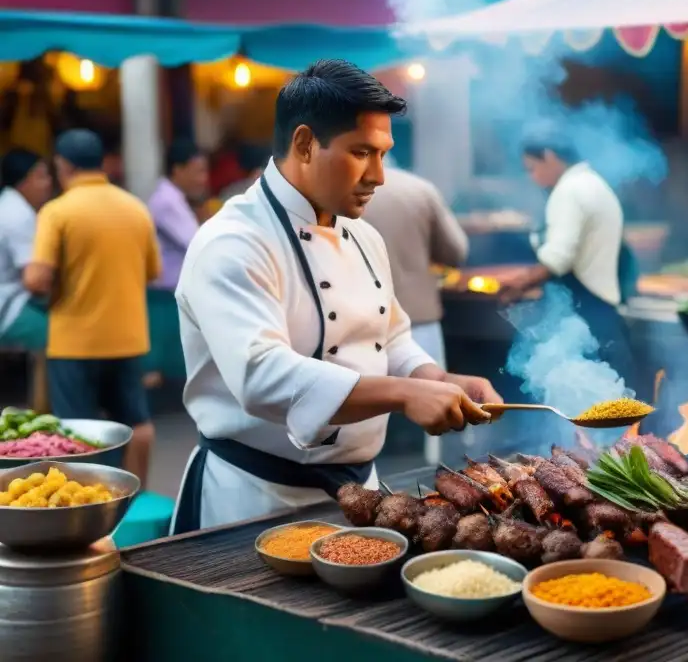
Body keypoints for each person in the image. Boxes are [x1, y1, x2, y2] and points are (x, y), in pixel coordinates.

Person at [170, 59, 501, 534]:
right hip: (256, 497)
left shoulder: (363, 237)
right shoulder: (232, 242)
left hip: (360, 492)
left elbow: (391, 335)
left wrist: (436, 377)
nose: (379, 176)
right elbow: (261, 375)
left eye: (384, 153)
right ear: (304, 144)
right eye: (362, 152)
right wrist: (406, 394)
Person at [23, 129, 161, 484]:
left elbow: (37, 279)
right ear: (102, 163)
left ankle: (87, 505)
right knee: (137, 423)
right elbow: (152, 271)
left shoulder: (57, 212)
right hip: (128, 337)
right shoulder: (135, 208)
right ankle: (137, 496)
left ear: (62, 166)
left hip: (75, 341)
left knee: (75, 432)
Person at [500, 142, 635, 382]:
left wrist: (516, 287)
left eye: (532, 168)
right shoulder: (593, 182)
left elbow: (558, 258)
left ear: (550, 156)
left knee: (590, 402)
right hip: (604, 313)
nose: (533, 177)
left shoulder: (569, 190)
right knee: (611, 400)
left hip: (586, 318)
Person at [362, 158, 468, 368]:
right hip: (419, 324)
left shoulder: (333, 195)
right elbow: (456, 251)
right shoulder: (420, 189)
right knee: (432, 395)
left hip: (359, 328)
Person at [0, 148, 53, 352]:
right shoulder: (17, 214)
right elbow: (35, 281)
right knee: (64, 340)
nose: (48, 183)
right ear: (23, 182)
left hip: (15, 299)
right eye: (40, 177)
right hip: (7, 309)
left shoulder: (9, 204)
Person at [149, 140, 208, 291]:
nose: (203, 180)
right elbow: (199, 245)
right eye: (198, 172)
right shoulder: (167, 201)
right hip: (168, 295)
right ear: (178, 170)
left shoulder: (174, 198)